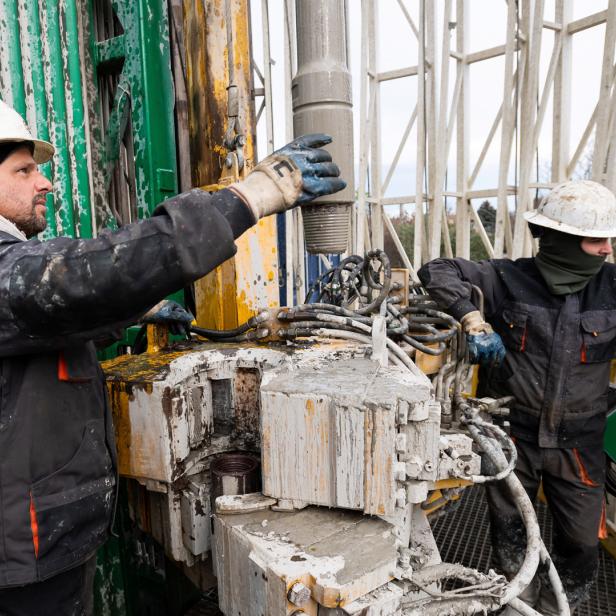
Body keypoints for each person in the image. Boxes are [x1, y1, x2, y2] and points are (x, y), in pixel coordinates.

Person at [0, 99, 345, 615]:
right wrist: (250, 197)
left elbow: (43, 327)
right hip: (23, 560)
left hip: (42, 543)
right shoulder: (7, 272)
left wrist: (135, 314)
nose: (44, 183)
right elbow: (87, 276)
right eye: (24, 171)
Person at [418, 180, 616, 615]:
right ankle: (515, 604)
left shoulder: (611, 287)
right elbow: (436, 271)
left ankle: (557, 607)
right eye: (597, 239)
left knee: (582, 543)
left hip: (579, 446)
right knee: (509, 531)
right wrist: (472, 318)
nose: (607, 248)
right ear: (562, 240)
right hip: (512, 439)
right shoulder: (508, 279)